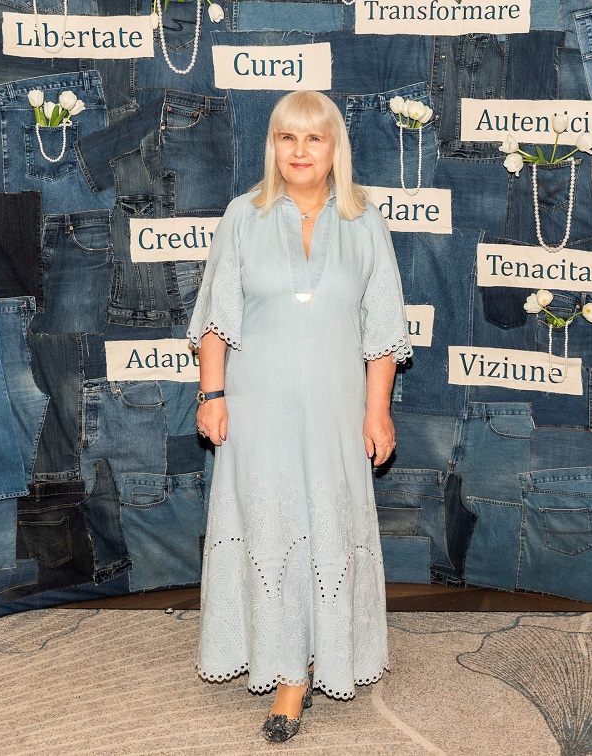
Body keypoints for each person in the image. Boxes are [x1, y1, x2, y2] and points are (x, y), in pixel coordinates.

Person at [187, 90, 412, 743]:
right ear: (273, 147)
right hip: (256, 411)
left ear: (335, 147)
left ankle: (324, 656)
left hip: (338, 414)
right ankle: (289, 673)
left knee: (327, 527)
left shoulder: (365, 221)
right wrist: (211, 395)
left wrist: (378, 414)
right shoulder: (243, 216)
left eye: (314, 138)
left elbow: (383, 330)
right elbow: (216, 319)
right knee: (272, 527)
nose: (300, 151)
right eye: (288, 137)